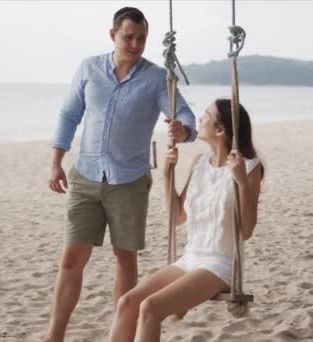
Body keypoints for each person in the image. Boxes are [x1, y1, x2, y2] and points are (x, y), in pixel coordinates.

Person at [44, 6, 197, 342]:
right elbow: (69, 114)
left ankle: (121, 335)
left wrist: (182, 130)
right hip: (85, 175)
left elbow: (185, 114)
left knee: (124, 257)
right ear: (113, 35)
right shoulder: (88, 68)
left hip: (129, 180)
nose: (136, 44)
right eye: (129, 37)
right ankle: (54, 336)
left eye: (142, 38)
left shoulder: (157, 77)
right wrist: (56, 160)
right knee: (72, 256)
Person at [108, 99, 264, 342]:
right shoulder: (199, 163)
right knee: (127, 302)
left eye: (205, 115)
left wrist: (241, 182)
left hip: (220, 265)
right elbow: (178, 216)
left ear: (220, 130)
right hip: (191, 258)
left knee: (150, 307)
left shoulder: (249, 168)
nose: (199, 120)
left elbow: (246, 231)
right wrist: (167, 174)